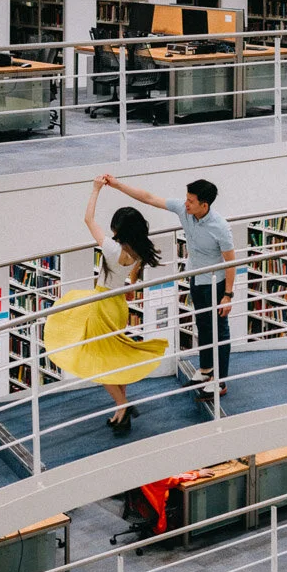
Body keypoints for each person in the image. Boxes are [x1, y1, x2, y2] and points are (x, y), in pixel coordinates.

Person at [43, 177, 168, 437]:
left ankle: (123, 404)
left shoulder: (112, 249)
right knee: (113, 356)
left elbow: (88, 220)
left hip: (102, 305)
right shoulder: (139, 251)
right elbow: (132, 284)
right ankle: (121, 412)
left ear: (119, 229)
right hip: (119, 306)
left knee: (100, 363)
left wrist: (95, 190)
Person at [104, 175, 235, 396]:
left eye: (191, 201)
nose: (186, 203)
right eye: (186, 199)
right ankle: (205, 370)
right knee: (202, 325)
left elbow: (231, 262)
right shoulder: (184, 210)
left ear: (205, 205)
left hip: (216, 282)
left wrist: (228, 295)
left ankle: (220, 381)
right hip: (196, 277)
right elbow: (148, 197)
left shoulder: (220, 227)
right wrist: (117, 185)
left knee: (219, 330)